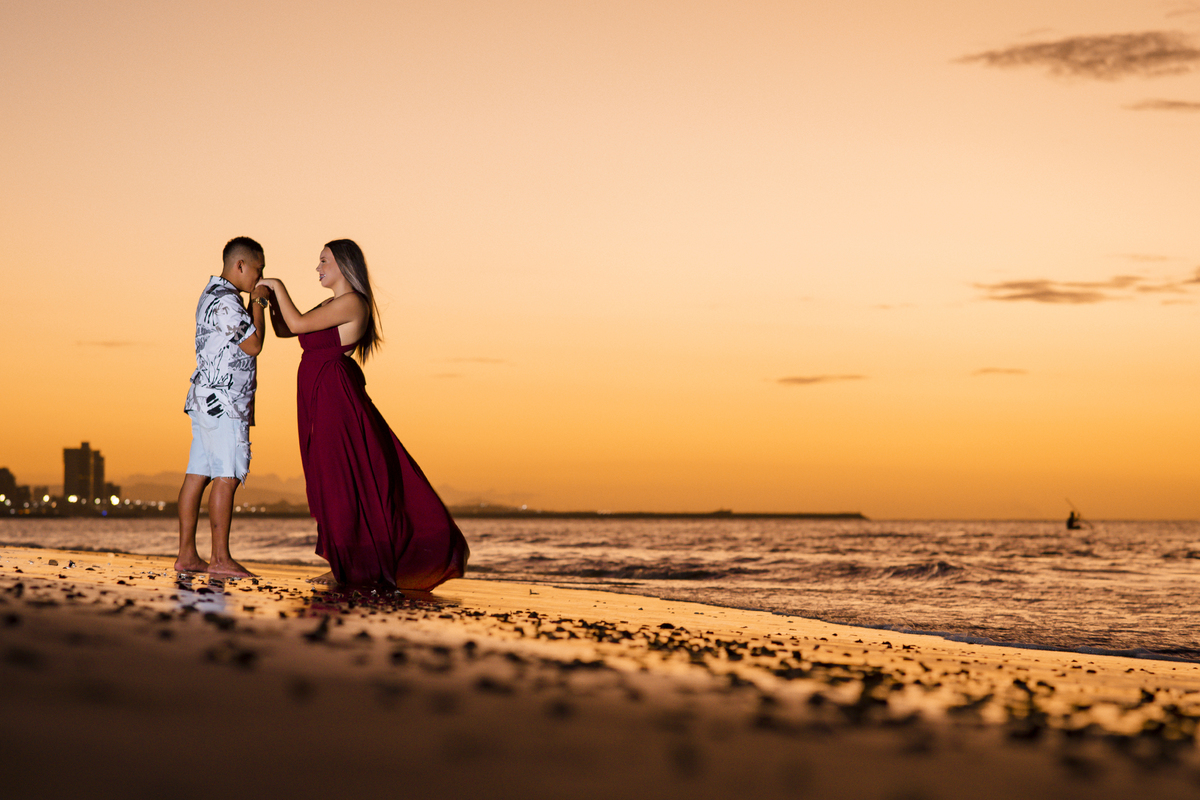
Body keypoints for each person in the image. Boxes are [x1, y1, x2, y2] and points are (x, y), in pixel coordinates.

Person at [256, 239, 468, 589]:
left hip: (334, 398)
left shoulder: (353, 302)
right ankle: (344, 564)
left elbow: (294, 325)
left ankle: (354, 566)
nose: (318, 267)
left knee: (341, 481)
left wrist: (276, 286)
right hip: (318, 396)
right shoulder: (331, 303)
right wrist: (265, 303)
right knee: (328, 480)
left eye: (324, 261)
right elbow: (287, 328)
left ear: (344, 264)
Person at [174, 237, 268, 577]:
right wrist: (259, 302)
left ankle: (187, 555)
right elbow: (253, 344)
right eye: (258, 269)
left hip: (203, 399)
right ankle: (220, 559)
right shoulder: (229, 302)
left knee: (198, 474)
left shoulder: (209, 295)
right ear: (240, 265)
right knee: (226, 476)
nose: (259, 276)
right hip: (224, 402)